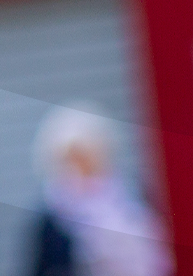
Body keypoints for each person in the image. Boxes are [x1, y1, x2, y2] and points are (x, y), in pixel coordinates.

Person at [27, 107, 169, 276]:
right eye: (70, 158)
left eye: (83, 157)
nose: (77, 166)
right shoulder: (52, 216)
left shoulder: (127, 199)